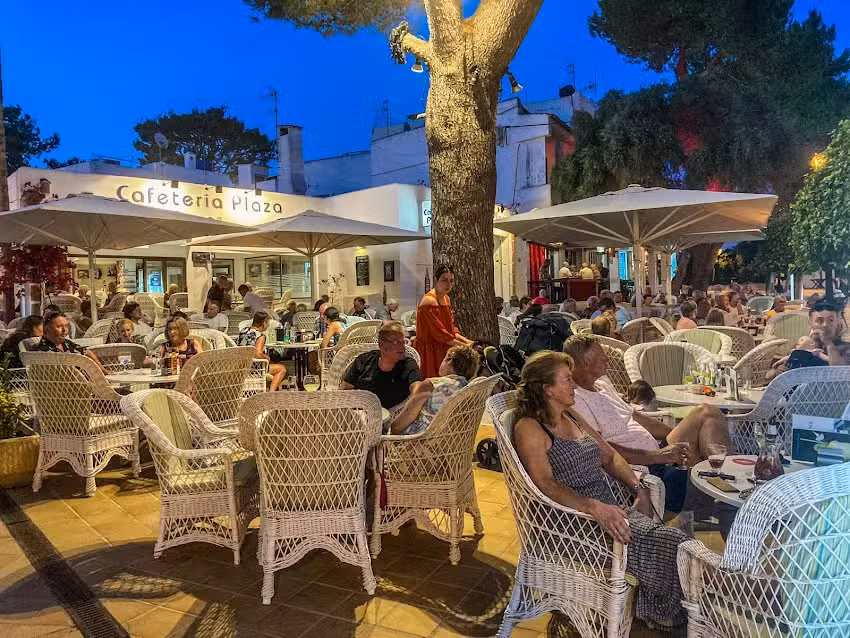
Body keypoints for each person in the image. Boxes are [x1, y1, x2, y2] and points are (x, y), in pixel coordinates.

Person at [512, 351, 688, 629]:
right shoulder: (530, 428)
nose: (574, 385)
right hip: (568, 523)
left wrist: (638, 488)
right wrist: (593, 507)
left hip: (609, 511)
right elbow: (545, 484)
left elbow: (609, 456)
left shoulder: (571, 414)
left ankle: (671, 608)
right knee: (675, 546)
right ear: (548, 389)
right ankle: (676, 612)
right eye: (567, 380)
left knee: (675, 544)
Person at [387, 344, 480, 435]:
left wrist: (390, 430)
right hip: (449, 440)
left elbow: (398, 426)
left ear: (449, 362)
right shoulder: (468, 390)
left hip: (418, 441)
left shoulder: (431, 385)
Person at [341, 322, 423, 409]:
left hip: (390, 414)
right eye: (396, 342)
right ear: (381, 345)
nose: (402, 347)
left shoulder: (408, 365)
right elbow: (344, 389)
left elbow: (417, 389)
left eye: (403, 342)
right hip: (356, 411)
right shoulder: (364, 360)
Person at [414, 264, 473, 378]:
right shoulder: (429, 301)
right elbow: (439, 334)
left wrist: (470, 342)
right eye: (444, 280)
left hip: (443, 345)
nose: (448, 284)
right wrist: (466, 346)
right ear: (436, 280)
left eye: (451, 281)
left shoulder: (446, 298)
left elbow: (450, 330)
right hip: (429, 350)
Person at [767, 299, 846, 379]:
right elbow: (771, 374)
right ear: (810, 322)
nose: (825, 325)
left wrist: (828, 344)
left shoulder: (844, 349)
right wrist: (778, 370)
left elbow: (843, 373)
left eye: (830, 320)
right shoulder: (803, 346)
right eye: (819, 321)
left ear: (837, 322)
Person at [34, 311, 107, 374]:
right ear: (46, 329)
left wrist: (101, 368)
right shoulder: (44, 350)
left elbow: (86, 351)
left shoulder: (65, 343)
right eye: (59, 326)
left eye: (66, 326)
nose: (64, 330)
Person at [237, 312, 286, 391]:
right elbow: (258, 354)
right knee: (282, 369)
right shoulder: (260, 336)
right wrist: (266, 357)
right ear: (264, 323)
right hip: (254, 367)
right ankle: (271, 393)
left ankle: (265, 389)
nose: (268, 325)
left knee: (272, 366)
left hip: (242, 365)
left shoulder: (243, 331)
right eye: (268, 323)